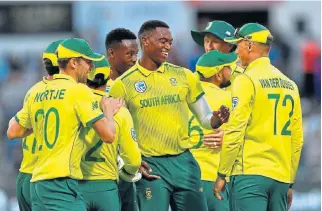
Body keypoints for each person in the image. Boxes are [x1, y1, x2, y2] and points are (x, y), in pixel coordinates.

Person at [109, 20, 230, 211]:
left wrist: (217, 120)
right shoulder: (123, 84)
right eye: (163, 41)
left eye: (170, 42)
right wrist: (128, 161)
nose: (168, 46)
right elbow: (112, 131)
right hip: (151, 166)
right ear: (145, 41)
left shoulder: (184, 76)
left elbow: (206, 119)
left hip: (184, 163)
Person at [8, 38, 121, 211]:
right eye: (87, 61)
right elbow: (108, 135)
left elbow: (13, 131)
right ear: (74, 63)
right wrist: (108, 112)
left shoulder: (35, 91)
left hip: (36, 183)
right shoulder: (78, 91)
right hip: (60, 184)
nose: (90, 67)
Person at [214, 23, 304, 211]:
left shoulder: (246, 80)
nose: (236, 51)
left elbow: (235, 130)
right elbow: (297, 140)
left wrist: (222, 174)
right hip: (280, 177)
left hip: (250, 175)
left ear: (249, 45)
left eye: (238, 45)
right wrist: (289, 182)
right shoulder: (290, 85)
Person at [79, 55, 141, 211]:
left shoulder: (74, 105)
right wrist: (126, 172)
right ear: (108, 77)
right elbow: (134, 162)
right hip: (107, 187)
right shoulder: (119, 111)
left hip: (76, 186)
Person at [7, 39, 63, 211]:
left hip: (26, 175)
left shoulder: (33, 91)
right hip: (49, 179)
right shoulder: (73, 93)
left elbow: (12, 130)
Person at [189, 50, 238, 211]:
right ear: (218, 75)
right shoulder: (228, 98)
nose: (232, 72)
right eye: (229, 68)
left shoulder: (184, 96)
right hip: (215, 178)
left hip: (187, 179)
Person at [105, 28, 141, 211]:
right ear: (112, 53)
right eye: (129, 54)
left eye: (136, 53)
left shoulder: (140, 83)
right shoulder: (98, 87)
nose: (135, 59)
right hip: (108, 172)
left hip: (135, 168)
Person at [191, 20, 244, 89]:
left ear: (230, 45)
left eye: (215, 42)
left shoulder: (242, 76)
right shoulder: (194, 78)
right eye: (206, 41)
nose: (209, 47)